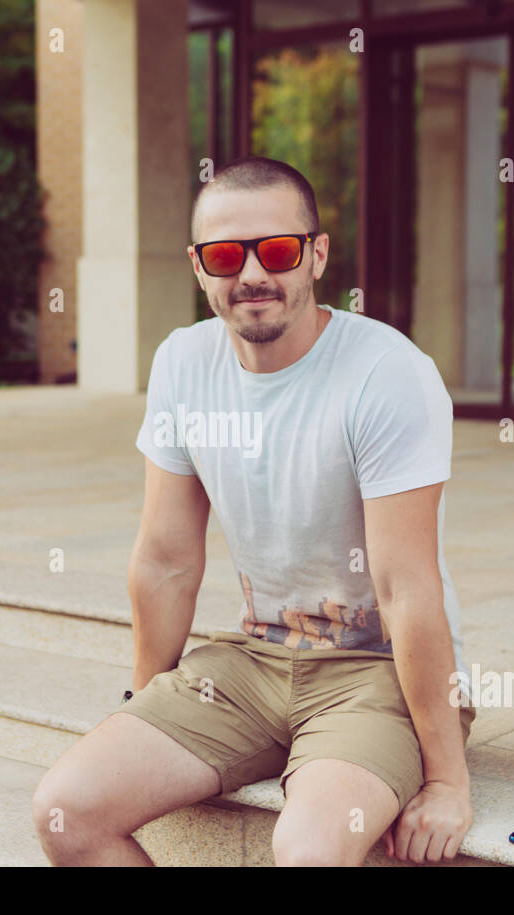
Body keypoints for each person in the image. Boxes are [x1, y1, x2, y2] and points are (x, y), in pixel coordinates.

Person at [32, 156, 475, 866]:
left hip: (374, 670)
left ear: (317, 255)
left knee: (306, 850)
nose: (252, 275)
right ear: (199, 267)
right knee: (64, 812)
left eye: (275, 250)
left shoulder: (385, 373)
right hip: (250, 663)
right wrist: (149, 701)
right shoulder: (183, 363)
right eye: (225, 256)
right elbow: (166, 559)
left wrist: (448, 778)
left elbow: (405, 588)